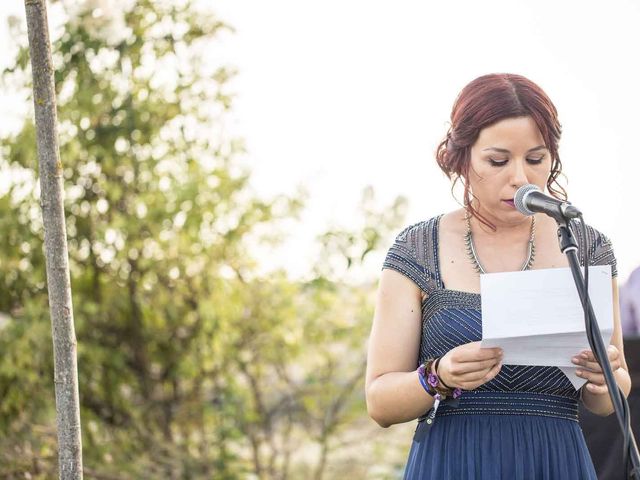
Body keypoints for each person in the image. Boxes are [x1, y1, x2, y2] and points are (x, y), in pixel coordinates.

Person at [365, 73, 631, 479]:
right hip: (454, 461)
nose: (520, 178)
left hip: (555, 461)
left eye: (536, 159)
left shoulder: (587, 247)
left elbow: (612, 394)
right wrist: (438, 376)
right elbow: (379, 402)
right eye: (498, 160)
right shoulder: (417, 248)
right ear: (461, 157)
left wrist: (604, 380)